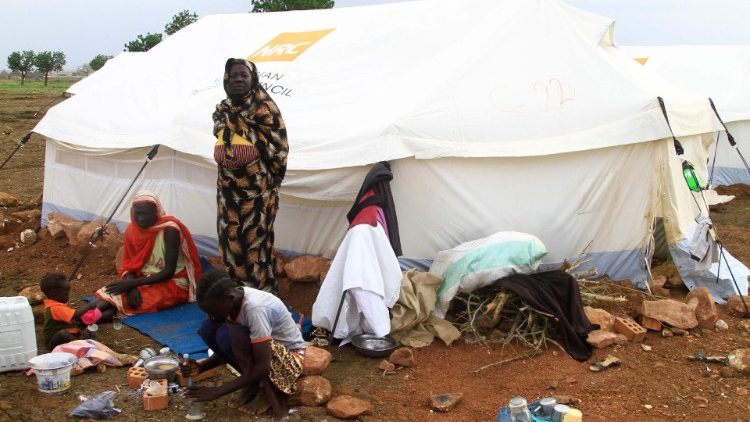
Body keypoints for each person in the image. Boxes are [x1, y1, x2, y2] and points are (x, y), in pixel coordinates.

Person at [184, 269, 305, 420]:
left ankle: (266, 390)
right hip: (265, 352)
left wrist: (217, 391)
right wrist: (201, 367)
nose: (212, 317)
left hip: (289, 359)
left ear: (230, 298)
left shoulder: (255, 309)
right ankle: (252, 383)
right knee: (208, 328)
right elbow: (229, 350)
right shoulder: (230, 299)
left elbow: (262, 367)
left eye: (214, 312)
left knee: (227, 334)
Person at [212, 58, 288, 292]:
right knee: (230, 241)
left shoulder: (264, 109)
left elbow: (278, 147)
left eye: (243, 75)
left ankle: (260, 293)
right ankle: (236, 292)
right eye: (233, 75)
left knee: (254, 244)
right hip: (227, 192)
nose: (237, 79)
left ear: (253, 78)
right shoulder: (223, 109)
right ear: (226, 79)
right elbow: (220, 129)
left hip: (256, 194)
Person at [94, 190, 201, 316]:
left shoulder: (169, 230)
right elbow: (131, 265)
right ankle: (77, 319)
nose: (141, 218)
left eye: (146, 214)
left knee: (119, 300)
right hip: (144, 280)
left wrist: (132, 284)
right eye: (138, 214)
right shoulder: (132, 230)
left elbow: (169, 271)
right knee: (113, 297)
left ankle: (75, 318)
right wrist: (131, 288)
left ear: (156, 212)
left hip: (173, 283)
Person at [40, 273, 100, 350]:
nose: (68, 295)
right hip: (54, 343)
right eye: (66, 293)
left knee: (79, 326)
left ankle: (80, 339)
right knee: (63, 334)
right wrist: (89, 306)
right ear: (54, 295)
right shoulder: (55, 308)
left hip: (66, 333)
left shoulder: (56, 303)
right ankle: (79, 344)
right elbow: (75, 314)